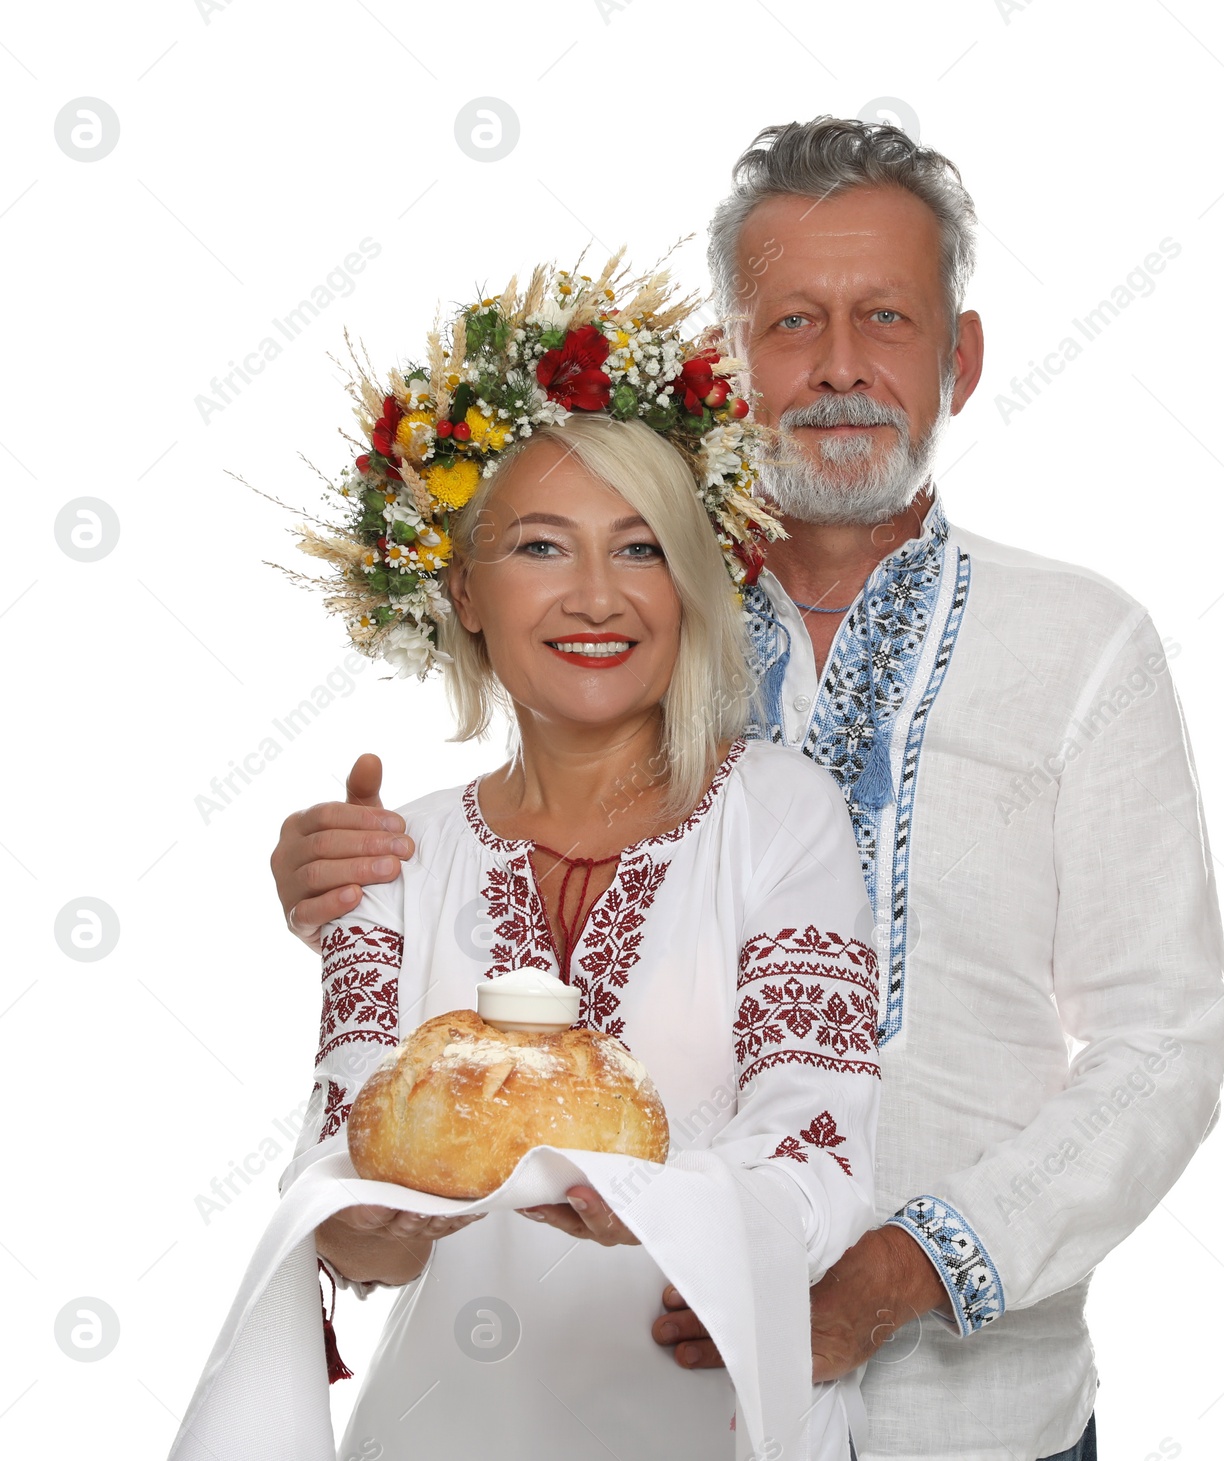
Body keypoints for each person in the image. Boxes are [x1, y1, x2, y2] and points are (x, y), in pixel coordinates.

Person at [270, 121, 1224, 1461]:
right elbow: (506, 898)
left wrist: (902, 1269)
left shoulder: (1081, 648)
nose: (841, 365)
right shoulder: (634, 616)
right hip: (640, 1406)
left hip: (982, 1416)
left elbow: (1164, 1043)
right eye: (792, 322)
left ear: (959, 354)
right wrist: (353, 887)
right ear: (724, 364)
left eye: (886, 317)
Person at [259, 263, 885, 1461]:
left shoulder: (782, 816)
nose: (597, 597)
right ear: (464, 591)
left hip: (715, 1426)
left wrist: (641, 1205)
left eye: (641, 548)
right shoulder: (401, 849)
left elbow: (822, 1156)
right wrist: (383, 1223)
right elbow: (340, 1189)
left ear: (694, 586)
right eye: (541, 546)